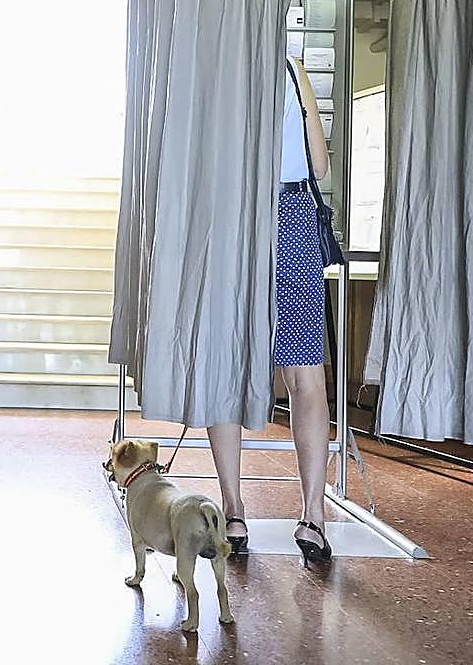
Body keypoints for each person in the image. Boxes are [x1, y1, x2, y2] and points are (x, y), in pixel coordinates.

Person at [206, 55, 333, 564]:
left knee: (228, 368)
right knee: (306, 374)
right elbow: (317, 164)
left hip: (231, 215)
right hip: (292, 214)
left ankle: (234, 510)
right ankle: (313, 517)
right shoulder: (288, 64)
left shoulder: (216, 56)